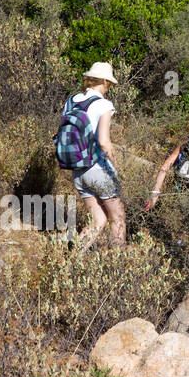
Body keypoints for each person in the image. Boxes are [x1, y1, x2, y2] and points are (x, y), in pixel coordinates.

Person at [56, 62, 125, 249]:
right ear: (104, 81)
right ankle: (118, 267)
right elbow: (104, 142)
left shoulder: (71, 101)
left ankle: (71, 264)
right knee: (117, 219)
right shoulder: (103, 104)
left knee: (98, 221)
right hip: (99, 169)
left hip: (78, 171)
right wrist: (118, 168)